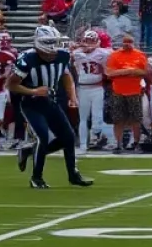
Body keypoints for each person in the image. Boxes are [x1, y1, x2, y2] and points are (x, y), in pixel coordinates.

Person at [11, 26, 93, 189]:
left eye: (55, 42)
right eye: (50, 43)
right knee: (43, 137)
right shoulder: (27, 58)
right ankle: (36, 177)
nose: (53, 47)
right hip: (31, 103)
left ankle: (73, 175)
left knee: (68, 137)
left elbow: (66, 75)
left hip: (51, 101)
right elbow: (11, 85)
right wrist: (34, 90)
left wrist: (72, 96)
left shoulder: (62, 56)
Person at [105, 32, 150, 154]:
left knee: (136, 119)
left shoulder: (140, 55)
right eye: (125, 42)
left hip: (135, 91)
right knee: (118, 119)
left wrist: (124, 71)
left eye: (129, 42)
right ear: (122, 43)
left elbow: (144, 72)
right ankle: (118, 144)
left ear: (133, 43)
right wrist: (129, 71)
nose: (127, 44)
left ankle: (136, 143)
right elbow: (109, 73)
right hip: (118, 91)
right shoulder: (114, 55)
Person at [72, 29, 111, 151]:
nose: (88, 43)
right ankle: (83, 144)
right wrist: (75, 47)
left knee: (97, 116)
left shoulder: (103, 53)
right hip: (83, 88)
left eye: (91, 41)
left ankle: (96, 135)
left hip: (97, 87)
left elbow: (112, 53)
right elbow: (68, 53)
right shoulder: (76, 53)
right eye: (86, 41)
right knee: (83, 117)